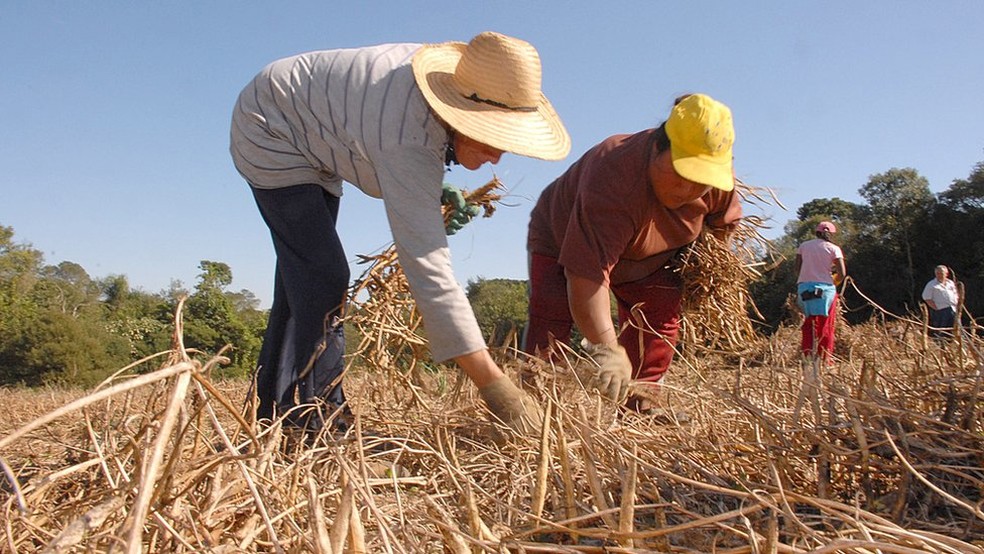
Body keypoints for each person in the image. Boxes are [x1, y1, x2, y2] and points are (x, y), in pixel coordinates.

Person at [230, 32, 571, 434]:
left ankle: (277, 415)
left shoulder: (444, 94)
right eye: (494, 137)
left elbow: (389, 148)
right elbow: (428, 268)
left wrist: (430, 189)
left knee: (302, 283)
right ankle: (321, 424)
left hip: (312, 127)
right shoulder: (406, 133)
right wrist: (497, 389)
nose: (499, 155)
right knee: (322, 277)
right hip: (271, 126)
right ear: (460, 112)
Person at [523, 93, 743, 412]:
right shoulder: (614, 175)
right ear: (657, 146)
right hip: (561, 240)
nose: (688, 191)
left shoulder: (720, 185)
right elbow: (587, 278)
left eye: (701, 182)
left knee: (658, 320)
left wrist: (700, 267)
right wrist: (607, 350)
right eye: (681, 174)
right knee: (551, 318)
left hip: (651, 257)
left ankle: (641, 404)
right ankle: (534, 407)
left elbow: (721, 229)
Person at [794, 221, 846, 362]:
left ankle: (807, 357)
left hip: (804, 288)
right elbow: (842, 273)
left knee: (808, 324)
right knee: (826, 325)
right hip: (825, 290)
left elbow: (797, 268)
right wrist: (834, 281)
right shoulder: (834, 248)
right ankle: (825, 358)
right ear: (831, 234)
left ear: (817, 232)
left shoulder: (803, 246)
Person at [922, 265, 958, 338]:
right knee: (941, 331)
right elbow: (926, 297)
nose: (939, 275)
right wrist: (936, 308)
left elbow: (955, 294)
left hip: (953, 309)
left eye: (941, 273)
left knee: (954, 329)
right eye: (937, 273)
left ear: (946, 274)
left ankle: (952, 346)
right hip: (941, 311)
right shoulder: (931, 284)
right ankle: (940, 345)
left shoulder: (950, 283)